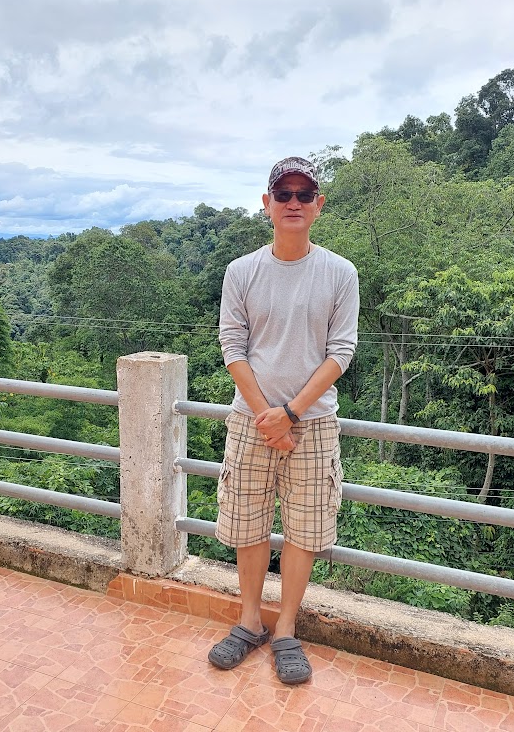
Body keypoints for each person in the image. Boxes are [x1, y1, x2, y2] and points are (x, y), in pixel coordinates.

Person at [209, 156, 360, 684]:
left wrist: (290, 413)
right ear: (266, 204)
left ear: (319, 205)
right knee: (248, 524)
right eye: (283, 193)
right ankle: (250, 621)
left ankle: (287, 629)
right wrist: (266, 416)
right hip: (251, 421)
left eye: (304, 194)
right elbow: (232, 346)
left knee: (304, 528)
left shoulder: (340, 273)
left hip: (312, 424)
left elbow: (341, 351)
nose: (293, 202)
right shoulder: (241, 271)